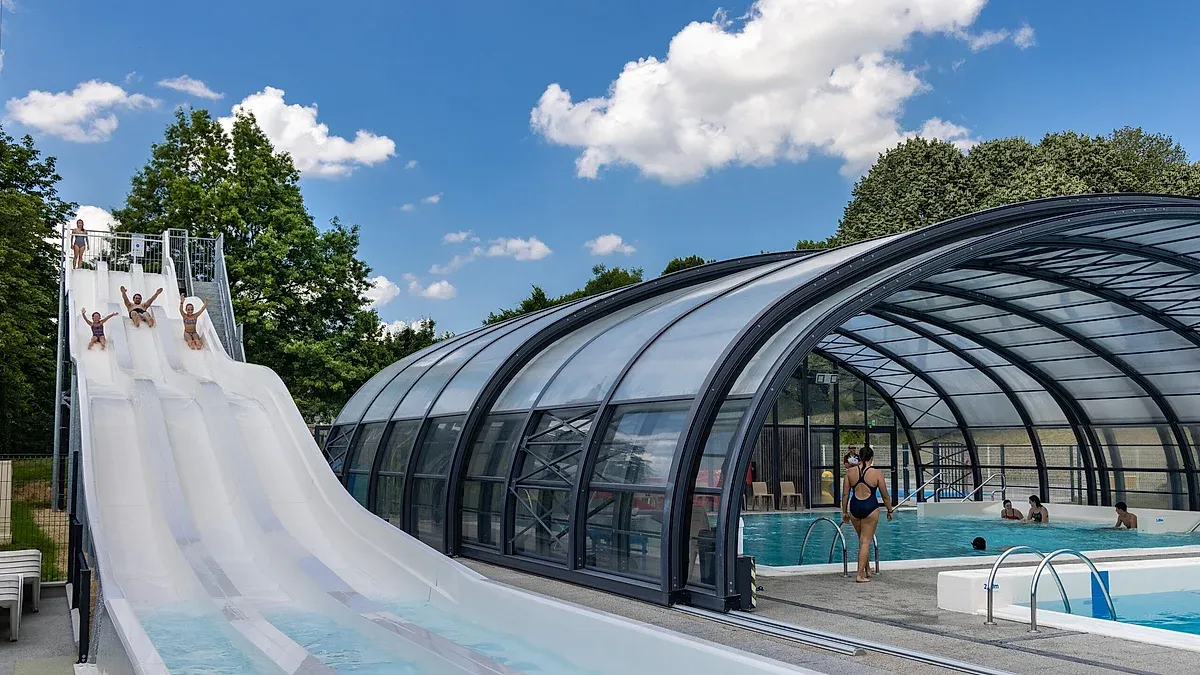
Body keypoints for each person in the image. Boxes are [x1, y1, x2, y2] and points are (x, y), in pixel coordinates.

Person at [841, 445, 893, 583]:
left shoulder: (850, 472)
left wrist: (844, 511)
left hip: (855, 507)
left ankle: (867, 569)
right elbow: (885, 496)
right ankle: (859, 575)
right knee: (866, 541)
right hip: (870, 507)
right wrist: (889, 510)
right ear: (872, 458)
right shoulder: (876, 474)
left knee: (863, 540)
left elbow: (845, 494)